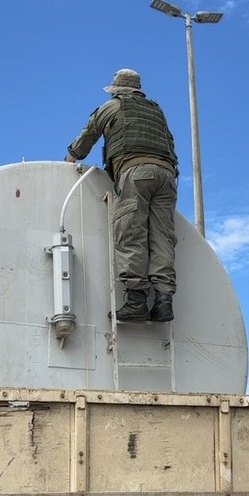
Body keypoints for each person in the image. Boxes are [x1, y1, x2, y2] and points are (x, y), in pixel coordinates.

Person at [66, 68, 179, 322]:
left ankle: (136, 301)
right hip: (167, 177)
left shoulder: (112, 107)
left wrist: (71, 157)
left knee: (130, 231)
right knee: (162, 236)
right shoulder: (156, 111)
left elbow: (88, 135)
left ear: (117, 89)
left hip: (135, 172)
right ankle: (163, 302)